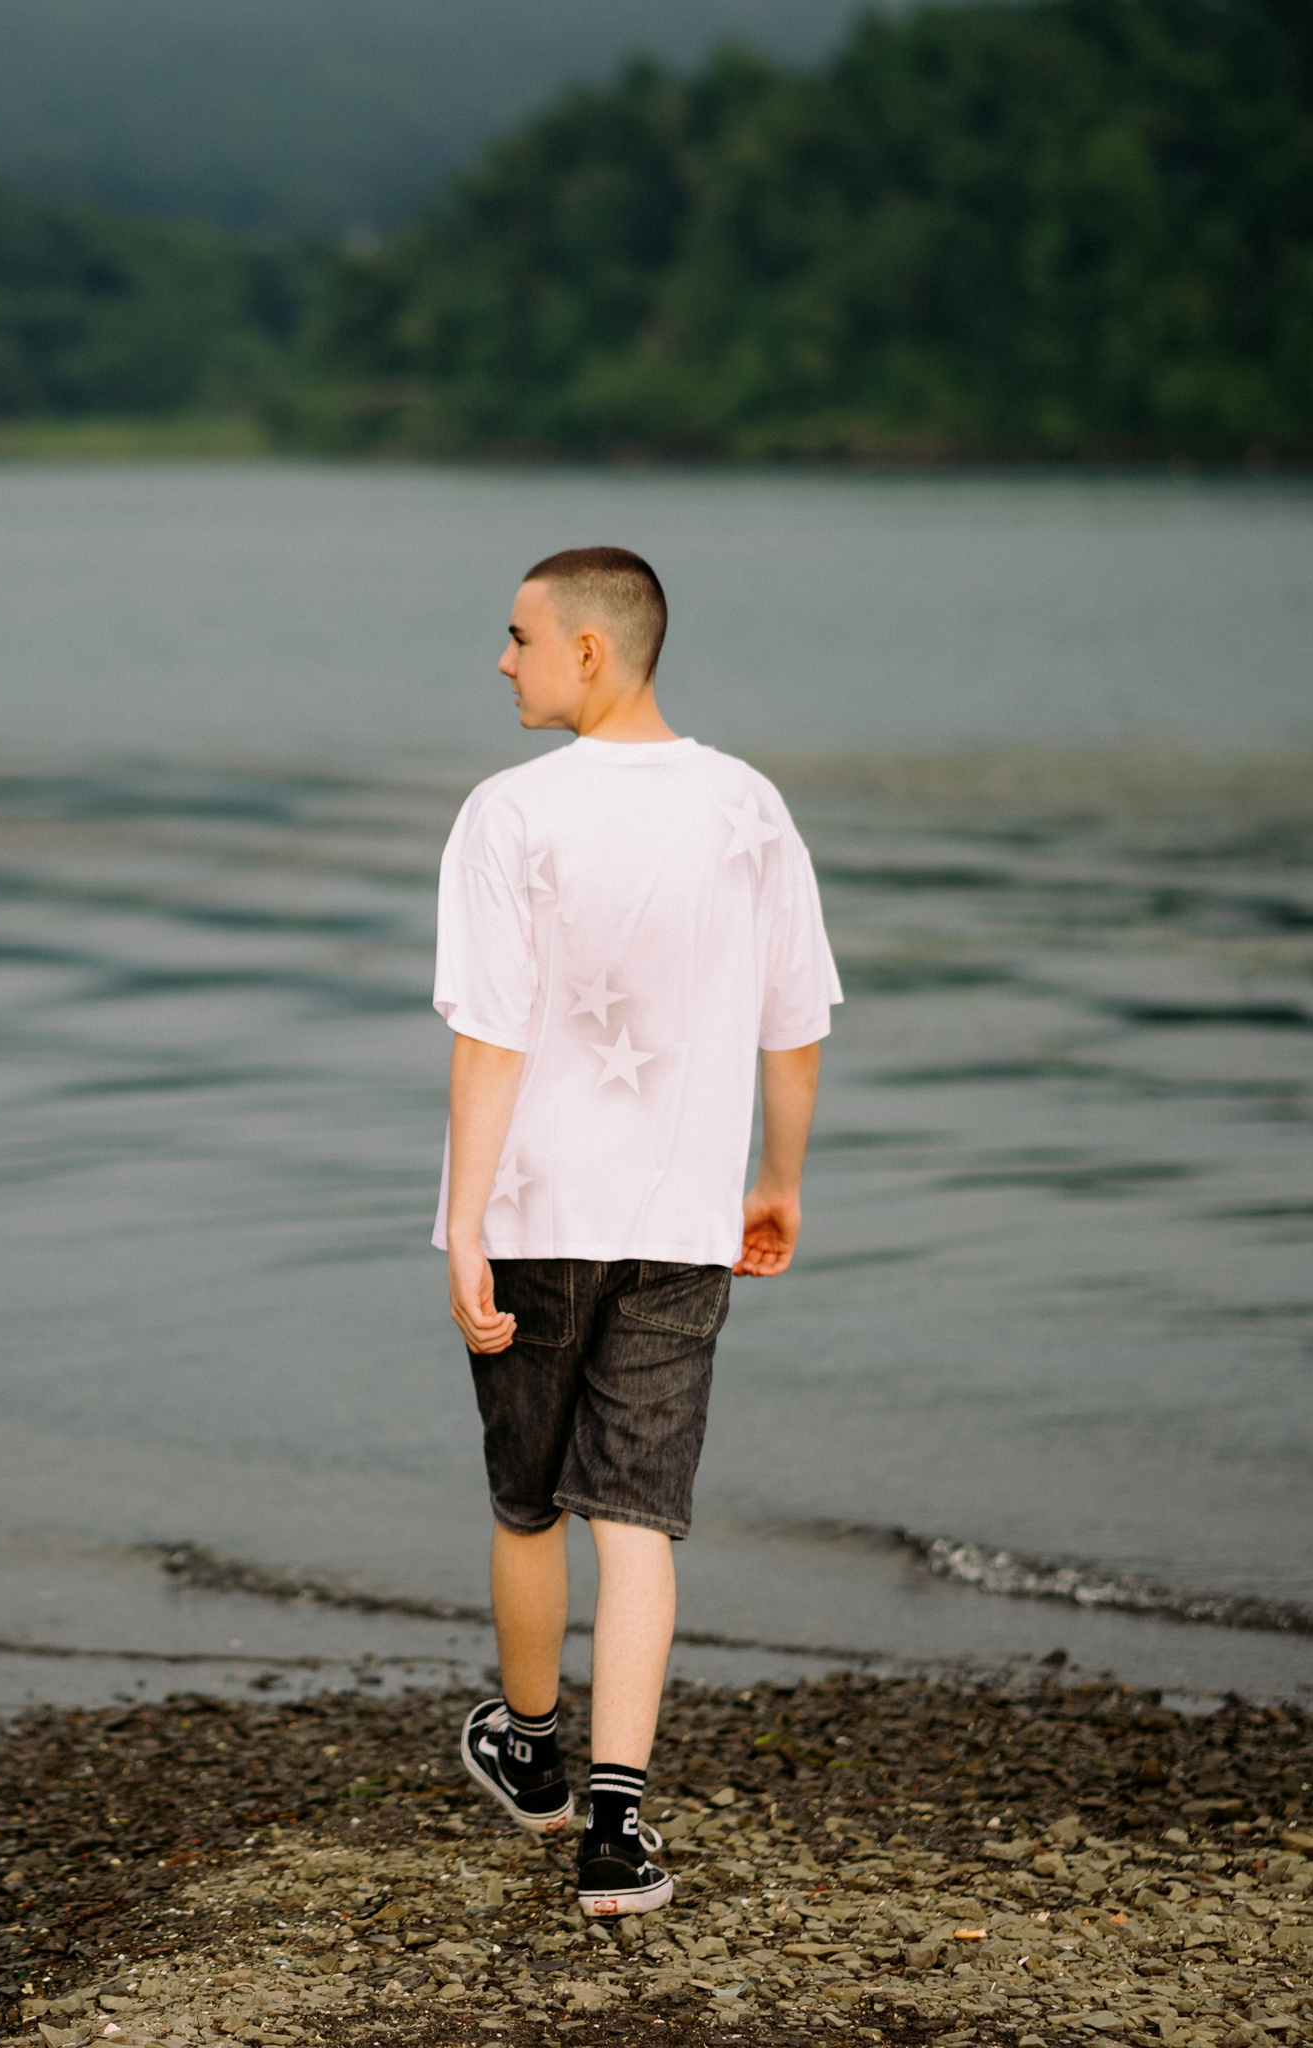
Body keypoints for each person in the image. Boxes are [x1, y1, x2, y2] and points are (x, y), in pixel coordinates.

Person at [436, 546, 839, 1916]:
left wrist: (463, 1226)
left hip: (537, 1213)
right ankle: (617, 1833)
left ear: (590, 650)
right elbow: (796, 1027)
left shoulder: (509, 812)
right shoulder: (747, 807)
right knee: (639, 1517)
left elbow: (490, 1039)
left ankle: (532, 1753)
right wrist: (778, 1181)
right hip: (681, 1221)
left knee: (529, 1499)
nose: (502, 660)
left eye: (519, 637)